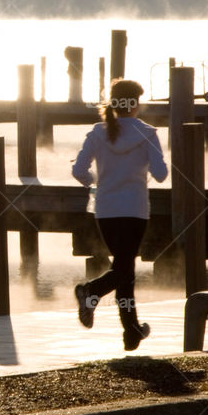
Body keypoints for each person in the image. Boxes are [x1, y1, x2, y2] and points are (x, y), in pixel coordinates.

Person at [71, 79, 168, 351]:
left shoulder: (97, 132)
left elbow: (79, 170)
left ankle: (132, 331)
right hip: (135, 210)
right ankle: (90, 292)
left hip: (105, 209)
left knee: (124, 269)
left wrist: (97, 183)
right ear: (135, 103)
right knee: (124, 268)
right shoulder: (147, 133)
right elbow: (161, 175)